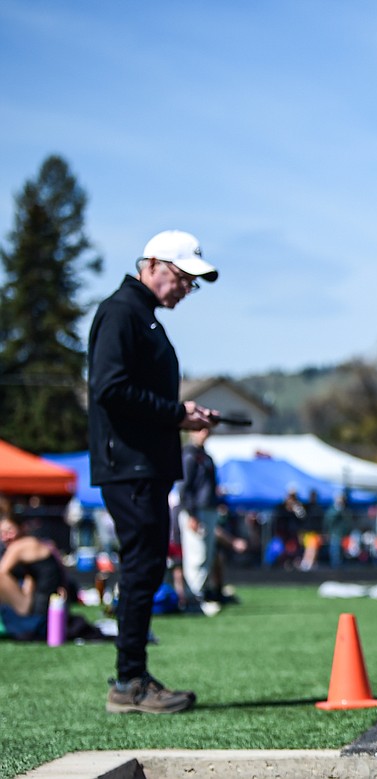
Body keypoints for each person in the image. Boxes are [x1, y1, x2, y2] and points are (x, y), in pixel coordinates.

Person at [88, 229, 220, 714]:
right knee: (141, 570)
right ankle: (129, 682)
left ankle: (133, 677)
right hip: (130, 466)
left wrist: (179, 413)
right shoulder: (123, 313)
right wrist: (175, 414)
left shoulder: (140, 315)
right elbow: (110, 388)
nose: (187, 288)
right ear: (153, 265)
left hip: (140, 464)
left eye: (192, 282)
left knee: (144, 569)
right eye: (183, 277)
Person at [0, 504, 67, 641]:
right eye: (1, 533)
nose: (5, 537)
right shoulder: (36, 544)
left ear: (21, 528)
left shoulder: (20, 546)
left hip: (39, 616)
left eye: (9, 530)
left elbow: (2, 572)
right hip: (47, 611)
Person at [178, 427, 219, 608]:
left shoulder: (206, 456)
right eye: (201, 429)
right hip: (196, 511)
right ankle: (194, 598)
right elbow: (185, 488)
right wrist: (192, 514)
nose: (205, 433)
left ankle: (200, 593)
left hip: (208, 508)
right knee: (197, 555)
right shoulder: (189, 456)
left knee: (206, 555)